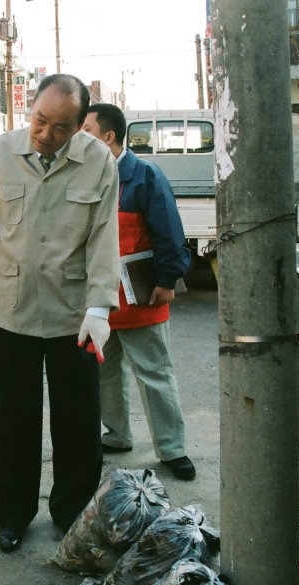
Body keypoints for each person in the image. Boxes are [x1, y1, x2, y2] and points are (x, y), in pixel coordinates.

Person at [0, 73, 120, 553]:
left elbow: (102, 238)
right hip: (13, 311)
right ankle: (11, 514)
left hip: (75, 315)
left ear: (80, 126)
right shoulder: (1, 155)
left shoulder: (98, 163)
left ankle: (73, 513)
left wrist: (99, 308)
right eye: (39, 120)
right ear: (29, 110)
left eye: (60, 127)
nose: (45, 134)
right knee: (14, 420)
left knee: (77, 422)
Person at [82, 103, 196, 481]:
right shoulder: (85, 175)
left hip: (141, 295)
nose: (79, 137)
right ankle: (116, 435)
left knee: (154, 374)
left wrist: (168, 279)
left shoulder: (144, 175)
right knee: (106, 374)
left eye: (86, 130)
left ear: (108, 137)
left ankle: (172, 448)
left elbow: (169, 231)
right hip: (100, 302)